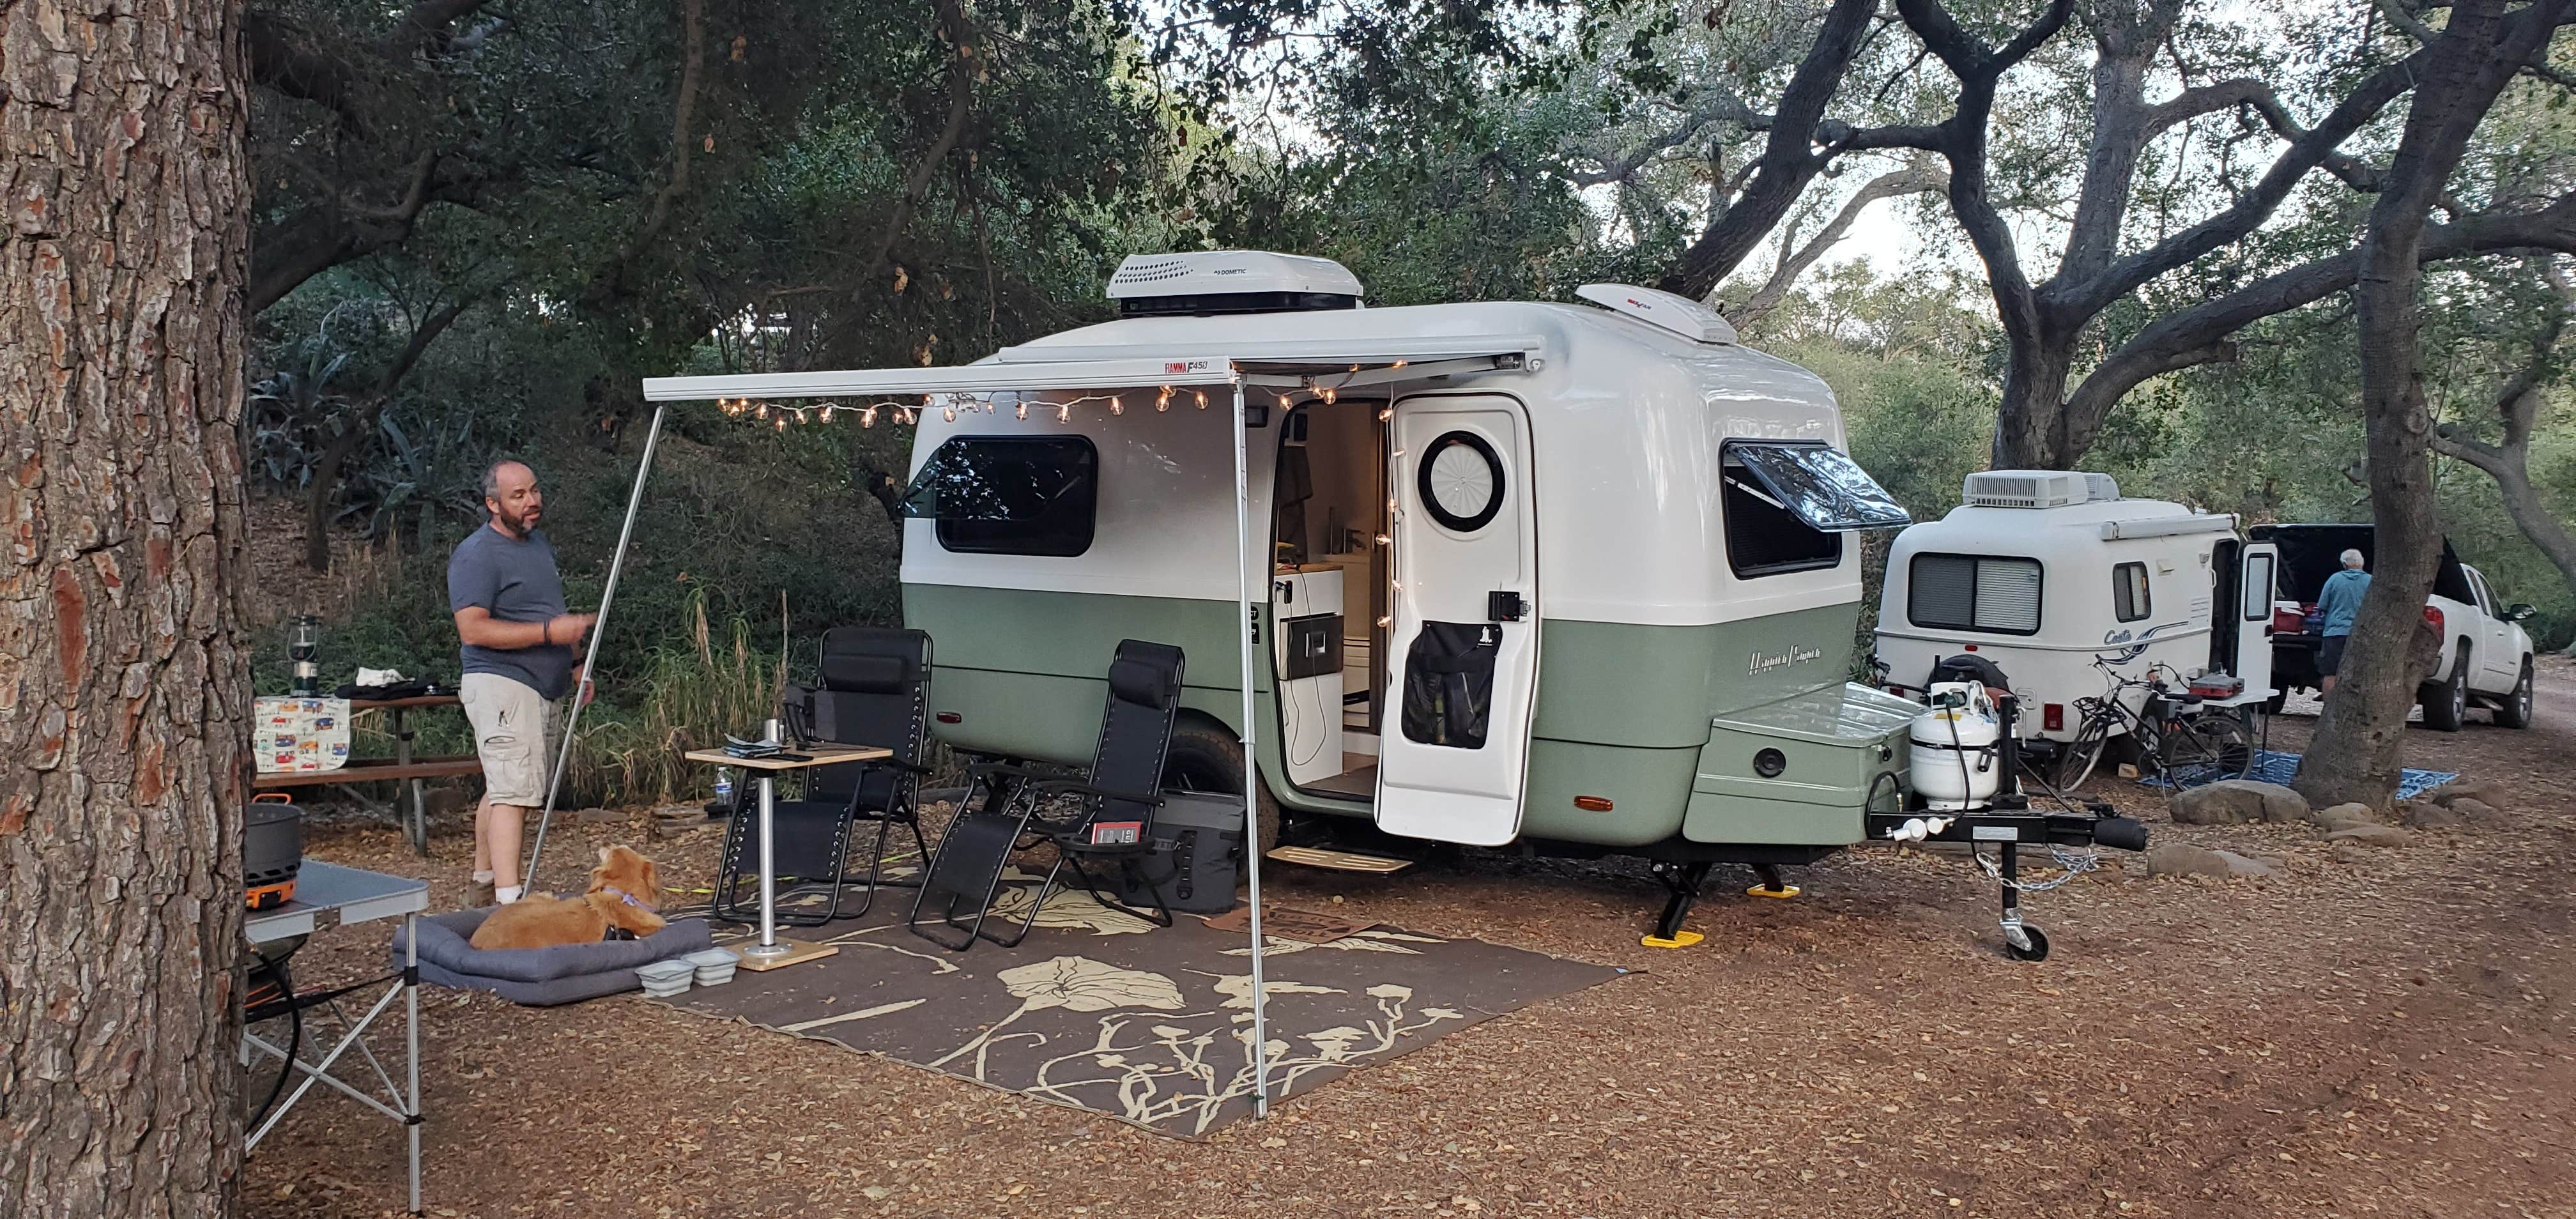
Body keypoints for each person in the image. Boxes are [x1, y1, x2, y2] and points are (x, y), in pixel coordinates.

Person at [450, 460, 594, 905]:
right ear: (493, 504)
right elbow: (473, 629)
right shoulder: (477, 555)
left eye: (534, 491)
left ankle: (483, 882)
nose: (532, 501)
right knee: (514, 793)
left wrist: (576, 662)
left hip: (542, 685)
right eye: (519, 496)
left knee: (506, 785)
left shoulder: (538, 544)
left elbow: (549, 609)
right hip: (502, 683)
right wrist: (550, 634)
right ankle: (510, 903)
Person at [2315, 548, 2372, 695]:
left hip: (2335, 633)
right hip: (2362, 634)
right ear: (2362, 563)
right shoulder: (2371, 581)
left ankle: (2329, 705)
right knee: (2361, 674)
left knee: (2330, 674)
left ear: (2345, 565)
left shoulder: (2335, 579)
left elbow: (2322, 605)